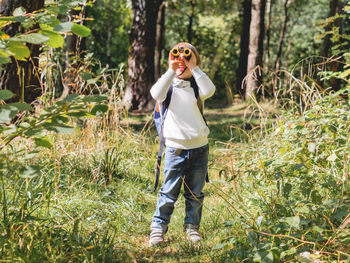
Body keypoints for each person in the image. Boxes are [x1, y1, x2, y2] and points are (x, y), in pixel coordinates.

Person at [149, 42, 215, 246]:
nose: (182, 59)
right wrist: (171, 68)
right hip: (175, 149)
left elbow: (210, 90)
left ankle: (192, 228)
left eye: (187, 56)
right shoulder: (167, 87)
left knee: (195, 193)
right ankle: (158, 228)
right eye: (177, 55)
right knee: (169, 192)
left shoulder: (197, 86)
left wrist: (193, 67)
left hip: (199, 148)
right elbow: (155, 93)